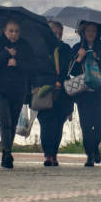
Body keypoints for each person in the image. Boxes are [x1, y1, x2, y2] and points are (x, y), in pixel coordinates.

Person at [0, 18, 34, 169]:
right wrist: (6, 55)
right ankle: (6, 153)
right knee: (5, 122)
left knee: (12, 123)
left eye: (16, 31)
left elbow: (32, 67)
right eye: (10, 31)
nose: (13, 34)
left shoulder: (25, 46)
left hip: (18, 91)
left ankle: (8, 151)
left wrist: (17, 62)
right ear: (4, 31)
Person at [71, 21, 101, 167]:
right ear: (82, 32)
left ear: (98, 32)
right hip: (83, 94)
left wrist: (99, 58)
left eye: (93, 30)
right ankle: (89, 156)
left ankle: (95, 146)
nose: (91, 33)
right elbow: (71, 70)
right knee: (86, 126)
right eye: (88, 30)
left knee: (100, 123)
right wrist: (79, 59)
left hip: (100, 93)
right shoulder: (77, 48)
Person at [36, 21, 74, 166]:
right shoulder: (40, 49)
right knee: (46, 123)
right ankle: (47, 155)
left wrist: (60, 80)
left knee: (58, 124)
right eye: (54, 33)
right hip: (45, 91)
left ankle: (54, 154)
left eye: (59, 33)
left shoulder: (66, 49)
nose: (57, 36)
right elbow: (38, 69)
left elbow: (68, 68)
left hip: (63, 93)